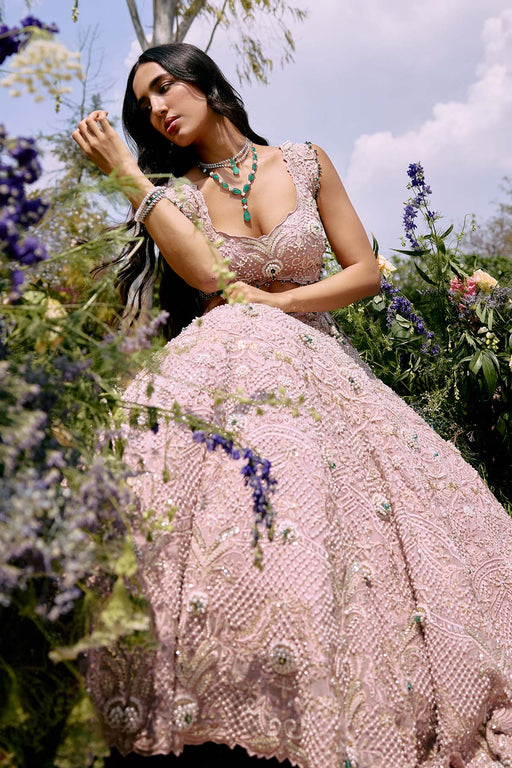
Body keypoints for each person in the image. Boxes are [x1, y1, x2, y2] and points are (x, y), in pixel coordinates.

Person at [73, 43, 512, 768]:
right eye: (143, 105)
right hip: (229, 370)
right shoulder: (177, 195)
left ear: (206, 85)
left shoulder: (305, 162)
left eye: (165, 87)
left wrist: (280, 303)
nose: (156, 109)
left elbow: (365, 271)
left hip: (319, 368)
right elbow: (206, 275)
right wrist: (127, 174)